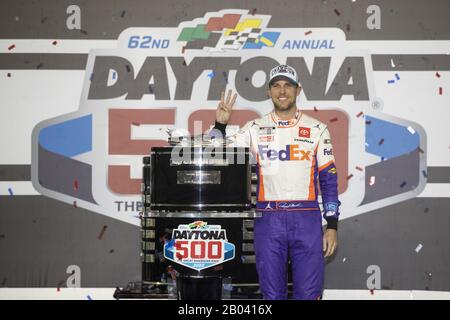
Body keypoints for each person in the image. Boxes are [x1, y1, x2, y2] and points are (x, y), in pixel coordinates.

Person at [211, 64, 340, 300]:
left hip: (307, 218)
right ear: (268, 92)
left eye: (288, 85)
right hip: (268, 219)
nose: (282, 91)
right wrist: (220, 125)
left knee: (309, 295)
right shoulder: (255, 128)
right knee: (271, 296)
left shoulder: (317, 129)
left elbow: (329, 179)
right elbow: (218, 152)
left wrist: (332, 225)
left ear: (298, 90)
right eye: (276, 86)